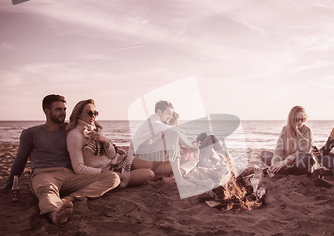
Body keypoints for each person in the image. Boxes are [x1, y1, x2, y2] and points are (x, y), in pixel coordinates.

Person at [2, 95, 120, 224]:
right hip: (44, 174)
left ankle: (72, 197)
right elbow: (20, 161)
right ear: (47, 112)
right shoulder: (30, 133)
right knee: (47, 192)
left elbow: (91, 133)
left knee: (113, 178)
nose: (63, 113)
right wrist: (8, 186)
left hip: (71, 176)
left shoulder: (70, 130)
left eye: (64, 109)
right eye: (58, 109)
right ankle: (56, 214)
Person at [66, 99, 155, 188]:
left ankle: (163, 173)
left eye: (95, 113)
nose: (93, 116)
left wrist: (105, 141)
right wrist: (107, 173)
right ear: (78, 114)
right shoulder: (75, 135)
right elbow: (79, 168)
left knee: (148, 164)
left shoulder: (96, 130)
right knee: (149, 174)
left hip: (117, 161)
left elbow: (112, 155)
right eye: (89, 113)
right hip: (106, 172)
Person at [130, 100, 199, 187]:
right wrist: (192, 147)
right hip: (139, 162)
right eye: (168, 113)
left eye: (171, 114)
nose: (170, 116)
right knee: (174, 136)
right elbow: (176, 133)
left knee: (188, 159)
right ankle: (179, 179)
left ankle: (177, 177)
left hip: (147, 161)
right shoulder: (152, 123)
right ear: (159, 112)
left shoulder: (155, 123)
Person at [261, 106, 315, 175]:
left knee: (307, 157)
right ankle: (283, 169)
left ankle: (284, 169)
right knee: (264, 154)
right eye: (297, 120)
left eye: (302, 119)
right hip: (285, 161)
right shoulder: (285, 129)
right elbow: (279, 150)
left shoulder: (307, 131)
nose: (300, 122)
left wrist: (285, 161)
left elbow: (303, 151)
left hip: (297, 161)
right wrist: (273, 164)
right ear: (291, 119)